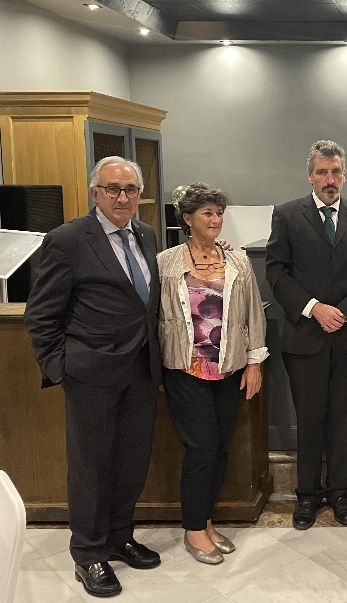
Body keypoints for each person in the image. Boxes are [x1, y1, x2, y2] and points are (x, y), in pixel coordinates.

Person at [24, 156, 162, 597]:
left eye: (131, 190)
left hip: (141, 370)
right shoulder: (67, 240)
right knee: (90, 467)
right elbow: (41, 314)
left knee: (130, 462)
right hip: (91, 376)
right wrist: (61, 367)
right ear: (95, 193)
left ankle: (120, 536)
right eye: (113, 189)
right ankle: (88, 554)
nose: (123, 197)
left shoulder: (145, 234)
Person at [265, 140, 347, 530]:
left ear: (344, 175)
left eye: (335, 172)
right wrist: (315, 308)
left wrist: (344, 311)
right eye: (322, 172)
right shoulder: (286, 215)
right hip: (305, 339)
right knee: (310, 420)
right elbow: (277, 273)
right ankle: (308, 496)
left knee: (346, 420)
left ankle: (341, 493)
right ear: (310, 176)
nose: (329, 180)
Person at [157, 183, 268, 564]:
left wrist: (254, 362)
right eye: (207, 214)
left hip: (228, 366)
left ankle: (205, 521)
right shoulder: (166, 262)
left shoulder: (238, 261)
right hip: (185, 369)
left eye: (219, 213)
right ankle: (192, 528)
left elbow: (254, 313)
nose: (215, 220)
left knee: (220, 447)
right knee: (200, 447)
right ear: (187, 219)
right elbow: (154, 317)